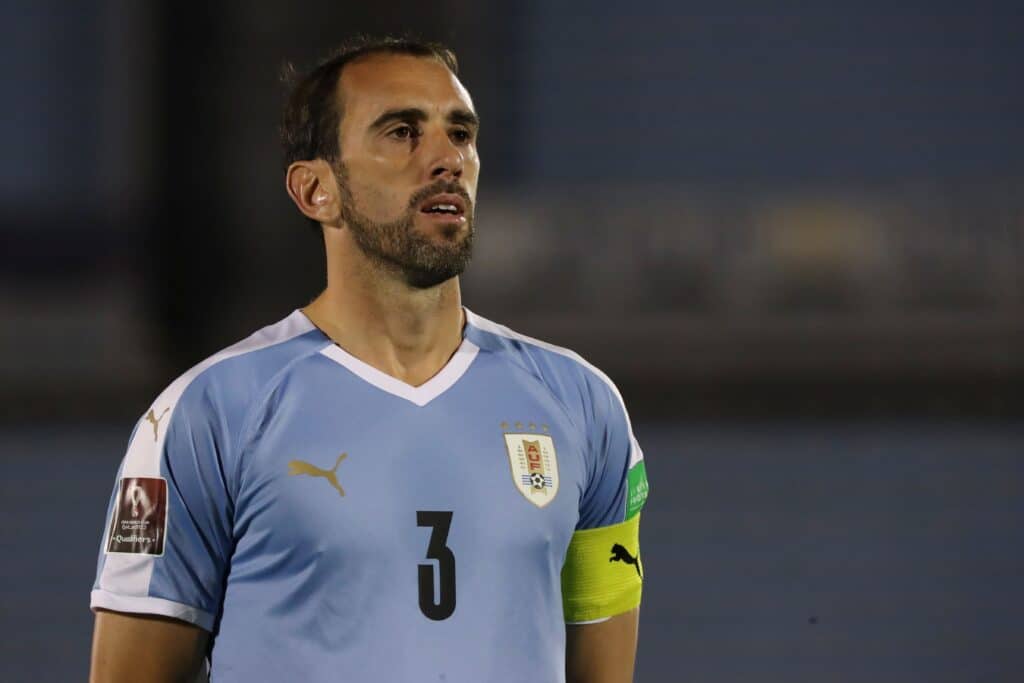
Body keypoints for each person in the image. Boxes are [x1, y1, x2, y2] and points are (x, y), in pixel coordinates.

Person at [89, 36, 649, 683]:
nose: (447, 158)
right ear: (315, 189)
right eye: (403, 132)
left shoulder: (582, 405)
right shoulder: (208, 414)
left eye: (460, 133)